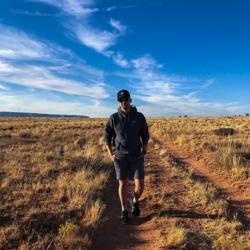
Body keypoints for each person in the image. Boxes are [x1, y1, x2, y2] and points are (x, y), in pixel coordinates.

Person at [104, 89, 149, 224]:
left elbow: (145, 133)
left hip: (136, 156)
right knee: (123, 183)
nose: (124, 102)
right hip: (120, 157)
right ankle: (124, 211)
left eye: (126, 99)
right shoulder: (114, 118)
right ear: (118, 102)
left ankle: (135, 201)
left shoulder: (139, 116)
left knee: (140, 186)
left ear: (130, 99)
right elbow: (107, 136)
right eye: (121, 100)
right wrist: (110, 154)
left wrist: (145, 147)